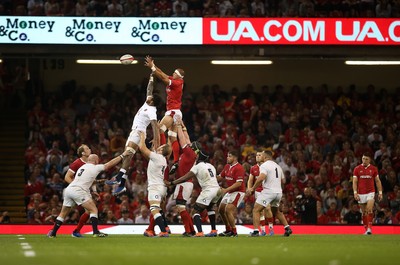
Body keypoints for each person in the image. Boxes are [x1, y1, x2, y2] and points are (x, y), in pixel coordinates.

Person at [47, 150, 130, 238]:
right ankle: (95, 232)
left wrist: (95, 189)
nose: (98, 162)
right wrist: (122, 155)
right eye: (98, 160)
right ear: (94, 160)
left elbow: (87, 180)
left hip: (69, 190)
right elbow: (108, 165)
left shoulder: (82, 167)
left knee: (63, 214)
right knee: (94, 209)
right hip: (78, 191)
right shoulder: (94, 167)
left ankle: (53, 233)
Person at [106, 74, 160, 196]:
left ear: (152, 101)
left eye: (150, 98)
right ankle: (121, 186)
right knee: (127, 157)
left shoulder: (152, 110)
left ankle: (119, 177)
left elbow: (155, 125)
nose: (148, 97)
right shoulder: (148, 103)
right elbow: (149, 89)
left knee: (127, 154)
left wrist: (156, 139)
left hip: (139, 133)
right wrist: (151, 77)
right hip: (133, 131)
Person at [166, 144, 221, 237]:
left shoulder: (198, 166)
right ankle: (214, 230)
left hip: (208, 190)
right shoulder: (211, 166)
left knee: (195, 212)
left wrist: (172, 183)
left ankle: (199, 232)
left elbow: (185, 177)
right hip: (217, 189)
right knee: (210, 209)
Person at [144, 55, 184, 174]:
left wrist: (152, 68)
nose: (172, 73)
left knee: (160, 129)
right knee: (172, 137)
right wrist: (153, 66)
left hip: (173, 111)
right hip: (176, 112)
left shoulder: (176, 82)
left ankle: (160, 149)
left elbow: (163, 78)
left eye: (174, 73)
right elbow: (162, 74)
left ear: (178, 75)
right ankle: (176, 161)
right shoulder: (176, 80)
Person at [247, 150, 293, 237]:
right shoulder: (278, 166)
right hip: (278, 192)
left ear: (265, 157)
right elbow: (283, 180)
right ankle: (287, 228)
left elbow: (261, 178)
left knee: (256, 210)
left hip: (268, 191)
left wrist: (253, 188)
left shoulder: (264, 165)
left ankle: (256, 231)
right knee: (276, 211)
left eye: (262, 156)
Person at [137, 131, 171, 237]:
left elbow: (142, 148)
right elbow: (154, 146)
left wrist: (142, 136)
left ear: (161, 150)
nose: (158, 147)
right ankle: (164, 228)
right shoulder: (163, 159)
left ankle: (164, 231)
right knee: (158, 210)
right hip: (161, 187)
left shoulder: (157, 157)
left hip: (155, 187)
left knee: (154, 209)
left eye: (160, 147)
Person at [169, 117, 197, 236]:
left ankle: (188, 231)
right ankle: (191, 230)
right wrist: (183, 124)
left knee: (181, 207)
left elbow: (182, 139)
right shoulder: (191, 153)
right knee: (182, 207)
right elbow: (186, 137)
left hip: (184, 183)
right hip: (186, 183)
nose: (189, 143)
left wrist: (178, 125)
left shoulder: (189, 153)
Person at [63, 144, 94, 237]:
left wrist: (94, 190)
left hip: (84, 190)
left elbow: (91, 180)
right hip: (77, 191)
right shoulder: (77, 163)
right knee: (65, 212)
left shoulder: (90, 163)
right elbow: (67, 177)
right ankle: (53, 230)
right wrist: (76, 187)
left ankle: (76, 231)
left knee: (89, 211)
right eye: (88, 148)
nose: (90, 149)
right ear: (83, 153)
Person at [352, 153, 383, 235]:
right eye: (363, 159)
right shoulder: (357, 169)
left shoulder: (373, 169)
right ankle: (366, 229)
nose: (364, 160)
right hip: (361, 193)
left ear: (370, 160)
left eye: (366, 159)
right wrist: (355, 193)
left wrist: (380, 193)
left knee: (369, 209)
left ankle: (369, 228)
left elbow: (377, 181)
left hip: (371, 192)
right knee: (364, 212)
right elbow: (355, 182)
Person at [217, 150, 246, 237]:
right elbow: (220, 177)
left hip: (238, 192)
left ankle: (234, 232)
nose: (227, 158)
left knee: (228, 209)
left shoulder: (239, 168)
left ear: (235, 158)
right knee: (221, 210)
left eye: (229, 156)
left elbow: (239, 183)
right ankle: (228, 230)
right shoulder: (227, 166)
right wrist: (210, 179)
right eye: (227, 156)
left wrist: (226, 190)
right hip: (230, 191)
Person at [247, 150, 275, 236]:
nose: (258, 157)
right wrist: (249, 189)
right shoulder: (253, 168)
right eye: (257, 155)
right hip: (258, 191)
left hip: (267, 191)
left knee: (267, 208)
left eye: (259, 155)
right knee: (260, 211)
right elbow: (250, 180)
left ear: (263, 157)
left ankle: (271, 228)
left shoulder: (267, 167)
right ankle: (263, 230)